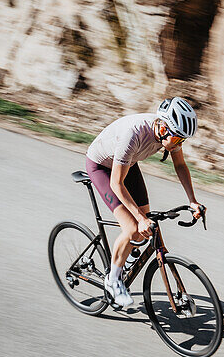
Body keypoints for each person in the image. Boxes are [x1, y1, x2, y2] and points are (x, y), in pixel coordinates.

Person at [85, 97, 204, 308]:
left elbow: (181, 166)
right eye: (177, 140)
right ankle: (113, 281)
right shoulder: (133, 134)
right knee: (133, 228)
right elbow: (116, 184)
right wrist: (138, 218)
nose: (179, 145)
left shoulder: (170, 135)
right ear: (163, 127)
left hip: (128, 165)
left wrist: (192, 201)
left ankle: (124, 257)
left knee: (146, 227)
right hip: (102, 168)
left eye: (182, 141)